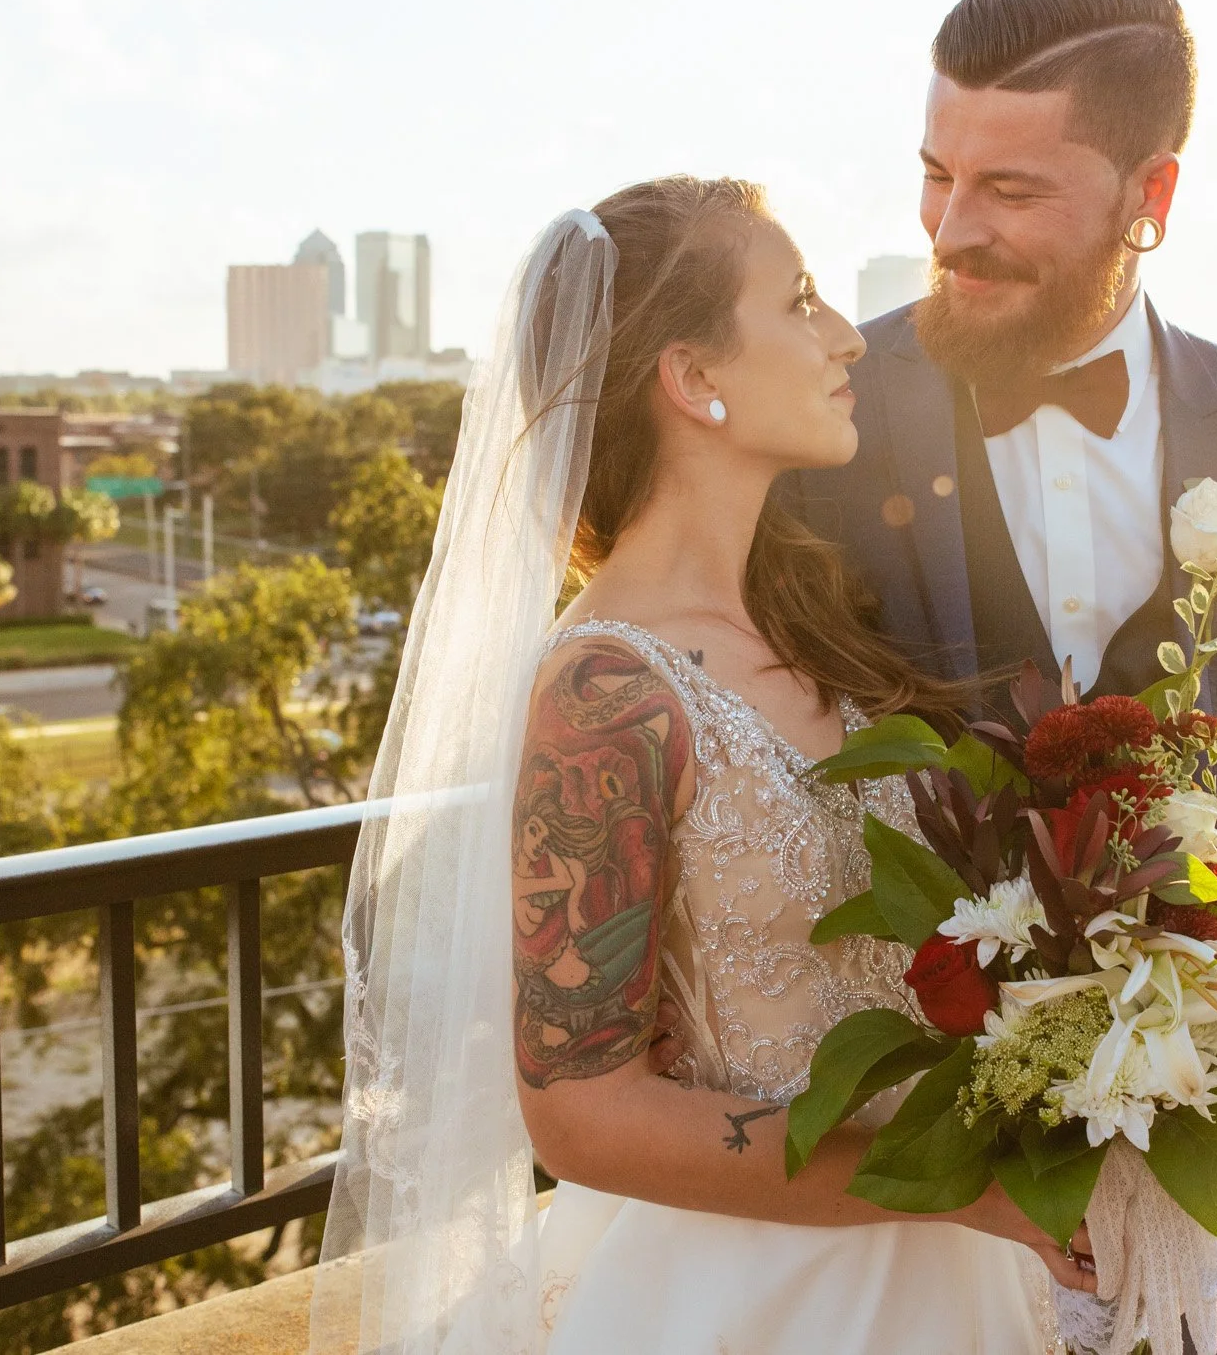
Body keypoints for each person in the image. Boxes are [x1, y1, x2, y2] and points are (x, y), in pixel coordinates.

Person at [313, 179, 1077, 1354]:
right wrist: (954, 1185)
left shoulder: (820, 623)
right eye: (803, 301)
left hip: (944, 1276)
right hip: (740, 1298)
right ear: (693, 378)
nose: (842, 337)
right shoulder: (606, 693)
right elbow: (581, 1114)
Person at [785, 0, 1217, 1350]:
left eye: (1010, 191)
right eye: (936, 174)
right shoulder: (827, 406)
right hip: (914, 1186)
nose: (952, 228)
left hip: (1199, 1147)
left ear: (1153, 198)